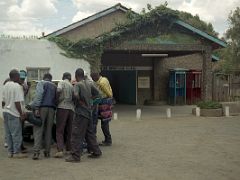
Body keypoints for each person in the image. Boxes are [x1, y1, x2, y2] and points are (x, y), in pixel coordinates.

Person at [65, 68, 102, 163]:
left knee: (76, 134)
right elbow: (98, 94)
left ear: (76, 75)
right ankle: (96, 152)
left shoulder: (78, 84)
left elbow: (76, 94)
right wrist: (90, 100)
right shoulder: (89, 83)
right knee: (90, 134)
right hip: (88, 112)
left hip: (80, 114)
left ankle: (75, 156)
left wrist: (79, 101)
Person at [30, 73, 57, 160]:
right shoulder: (54, 86)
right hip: (52, 109)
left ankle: (36, 152)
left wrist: (36, 107)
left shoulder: (41, 83)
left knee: (38, 129)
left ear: (44, 78)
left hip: (42, 108)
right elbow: (56, 98)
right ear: (51, 79)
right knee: (49, 130)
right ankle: (47, 152)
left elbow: (39, 96)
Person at [2, 69, 27, 158]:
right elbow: (17, 102)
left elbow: (3, 101)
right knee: (16, 133)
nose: (20, 77)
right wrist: (21, 113)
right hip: (14, 112)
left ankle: (10, 152)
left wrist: (4, 109)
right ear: (16, 76)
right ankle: (16, 152)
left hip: (5, 112)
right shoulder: (17, 86)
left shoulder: (5, 86)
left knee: (8, 133)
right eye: (19, 76)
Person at [54, 72, 74, 158]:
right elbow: (74, 96)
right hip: (71, 109)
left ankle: (60, 150)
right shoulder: (71, 85)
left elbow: (58, 90)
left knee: (59, 130)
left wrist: (56, 101)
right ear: (70, 78)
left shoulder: (61, 83)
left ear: (63, 77)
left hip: (62, 107)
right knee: (69, 130)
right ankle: (69, 149)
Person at [90, 72, 113, 146]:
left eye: (93, 78)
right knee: (104, 123)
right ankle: (107, 139)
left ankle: (108, 140)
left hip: (104, 104)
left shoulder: (102, 83)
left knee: (104, 124)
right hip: (105, 103)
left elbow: (109, 94)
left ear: (96, 76)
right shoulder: (104, 79)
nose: (93, 79)